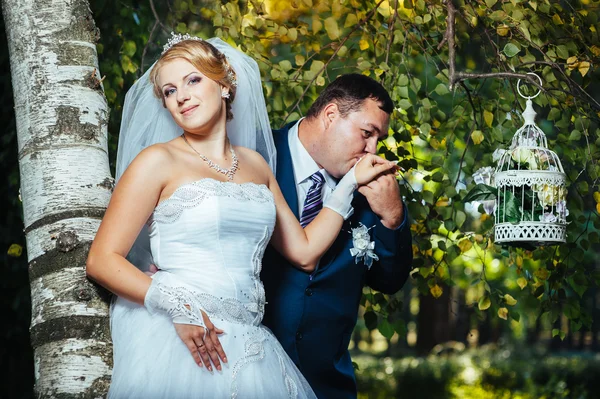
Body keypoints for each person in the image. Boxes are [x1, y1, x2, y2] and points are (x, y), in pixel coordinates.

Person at [85, 34, 398, 398]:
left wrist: (348, 186)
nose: (181, 96)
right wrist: (178, 306)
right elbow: (101, 261)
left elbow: (305, 252)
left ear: (225, 85)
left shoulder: (256, 165)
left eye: (193, 79)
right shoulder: (156, 161)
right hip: (180, 334)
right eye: (169, 91)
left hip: (249, 345)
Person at [260, 74, 414, 398]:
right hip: (250, 376)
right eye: (367, 133)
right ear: (331, 115)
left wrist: (393, 216)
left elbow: (389, 280)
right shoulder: (257, 158)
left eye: (378, 139)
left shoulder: (371, 187)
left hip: (328, 387)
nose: (372, 150)